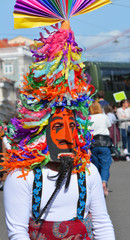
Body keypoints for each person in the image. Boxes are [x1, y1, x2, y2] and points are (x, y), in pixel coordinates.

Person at [2, 4, 115, 240]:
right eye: (57, 127)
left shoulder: (89, 172)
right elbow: (17, 233)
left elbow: (103, 225)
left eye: (73, 127)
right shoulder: (22, 178)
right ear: (39, 131)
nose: (67, 135)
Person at [89, 101, 112, 197]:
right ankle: (104, 183)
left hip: (94, 143)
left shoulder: (89, 118)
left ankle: (98, 186)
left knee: (96, 166)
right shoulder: (104, 116)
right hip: (105, 143)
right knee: (105, 166)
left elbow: (88, 131)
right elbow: (109, 126)